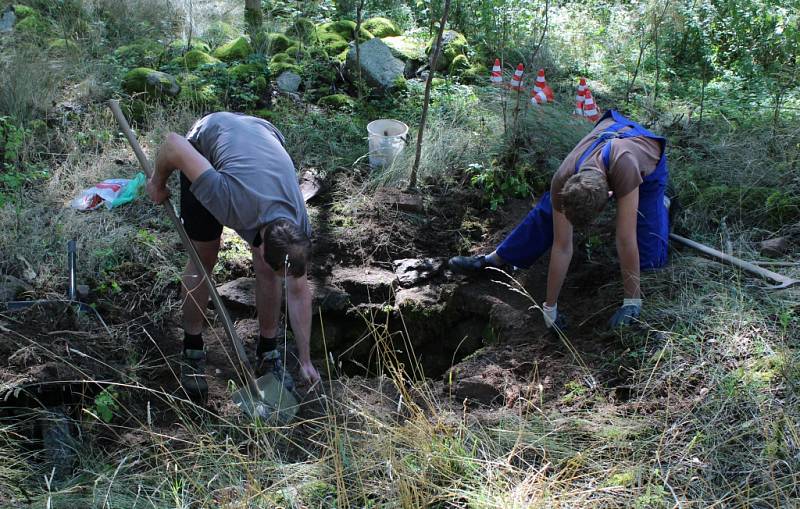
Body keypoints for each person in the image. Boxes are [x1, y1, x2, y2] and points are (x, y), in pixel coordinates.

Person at [146, 112, 321, 400]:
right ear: (260, 249)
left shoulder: (298, 227)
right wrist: (157, 182)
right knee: (204, 257)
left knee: (270, 273)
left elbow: (300, 291)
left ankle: (268, 351)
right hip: (207, 143)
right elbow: (174, 145)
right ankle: (192, 349)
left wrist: (305, 360)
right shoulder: (228, 199)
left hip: (260, 133)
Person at [449, 109, 671, 330]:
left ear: (609, 197)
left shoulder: (626, 167)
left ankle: (662, 206)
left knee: (649, 260)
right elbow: (562, 245)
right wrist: (550, 308)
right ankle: (495, 259)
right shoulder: (562, 179)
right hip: (609, 134)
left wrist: (632, 302)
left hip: (644, 151)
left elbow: (625, 239)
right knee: (548, 211)